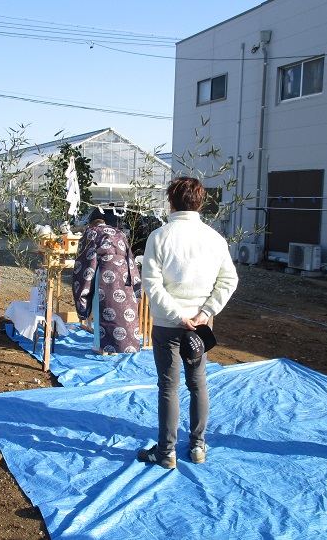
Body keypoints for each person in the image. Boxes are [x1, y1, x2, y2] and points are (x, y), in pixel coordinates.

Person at [137, 177, 238, 469]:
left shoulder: (160, 236)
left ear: (171, 202)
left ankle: (166, 451)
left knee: (168, 387)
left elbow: (151, 283)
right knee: (198, 383)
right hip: (201, 325)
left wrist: (177, 315)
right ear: (200, 202)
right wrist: (205, 312)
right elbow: (228, 279)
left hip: (169, 325)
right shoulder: (215, 238)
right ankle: (197, 446)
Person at [72, 207, 142, 354]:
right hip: (124, 274)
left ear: (91, 223)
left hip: (104, 273)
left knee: (103, 308)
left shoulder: (91, 233)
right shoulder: (119, 233)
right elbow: (130, 257)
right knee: (121, 309)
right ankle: (118, 346)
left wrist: (83, 294)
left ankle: (102, 346)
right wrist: (134, 282)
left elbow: (85, 261)